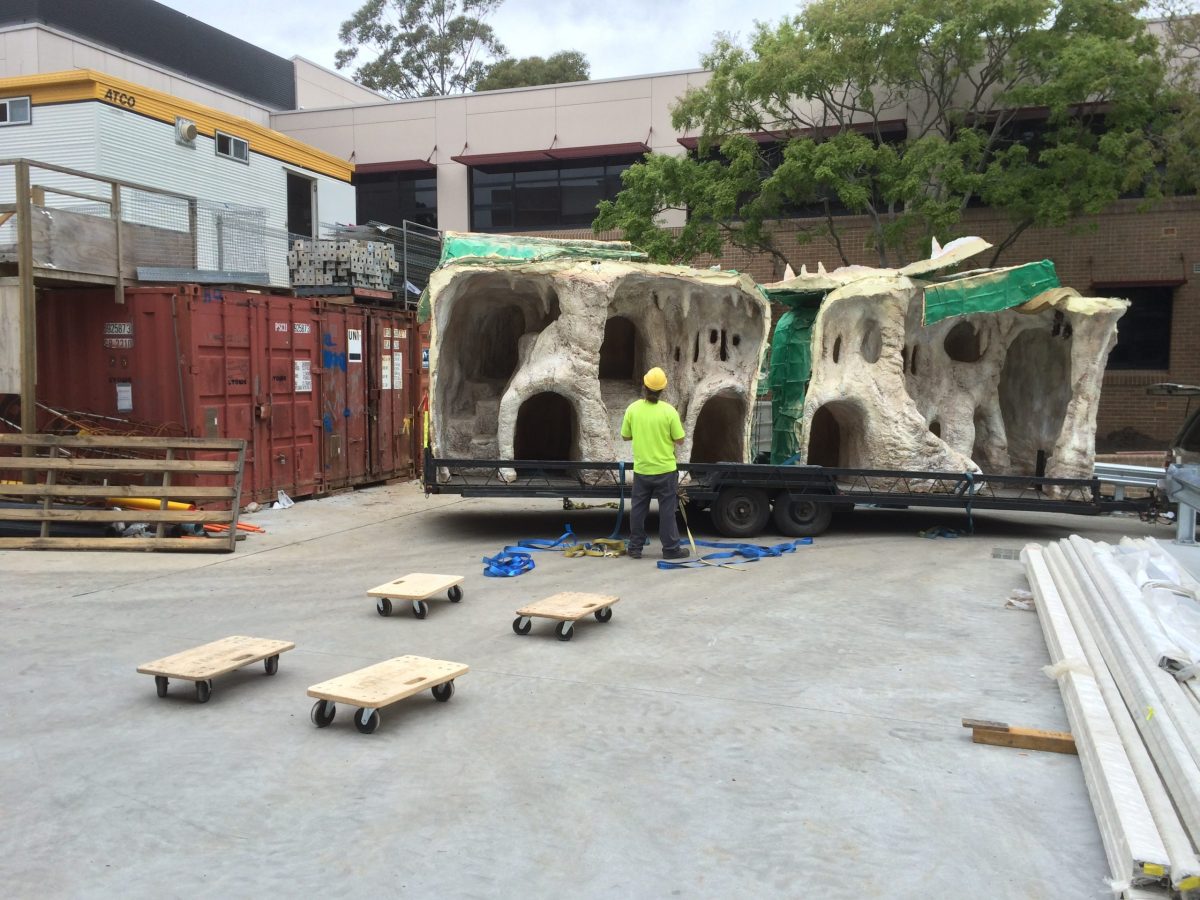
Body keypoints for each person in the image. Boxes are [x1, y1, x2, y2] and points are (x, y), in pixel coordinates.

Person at [620, 367, 690, 560]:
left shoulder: (633, 409)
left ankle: (635, 548)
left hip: (642, 470)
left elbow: (625, 436)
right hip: (666, 471)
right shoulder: (669, 411)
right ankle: (671, 549)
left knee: (638, 509)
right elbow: (680, 440)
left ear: (645, 386)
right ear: (663, 390)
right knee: (667, 511)